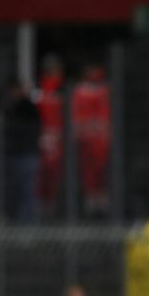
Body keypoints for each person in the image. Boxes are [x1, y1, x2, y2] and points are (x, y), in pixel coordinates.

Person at [72, 64, 111, 217]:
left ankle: (98, 201)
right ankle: (91, 201)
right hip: (87, 141)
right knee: (88, 171)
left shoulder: (103, 92)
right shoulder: (81, 92)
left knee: (101, 170)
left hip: (99, 141)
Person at [4, 80, 42, 222]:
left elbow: (32, 129)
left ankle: (28, 225)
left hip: (27, 154)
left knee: (28, 191)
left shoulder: (28, 108)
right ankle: (17, 222)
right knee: (15, 191)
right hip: (15, 155)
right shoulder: (9, 108)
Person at [35, 55, 65, 217]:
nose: (53, 72)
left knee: (57, 178)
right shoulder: (40, 92)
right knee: (45, 178)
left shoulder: (63, 90)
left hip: (59, 140)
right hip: (46, 139)